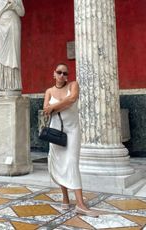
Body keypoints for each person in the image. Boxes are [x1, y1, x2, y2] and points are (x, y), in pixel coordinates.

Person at [43, 63, 99, 217]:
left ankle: (80, 204)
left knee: (72, 163)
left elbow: (72, 98)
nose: (62, 76)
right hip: (55, 131)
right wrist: (64, 104)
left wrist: (56, 107)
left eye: (65, 73)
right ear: (54, 73)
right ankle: (65, 198)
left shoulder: (74, 85)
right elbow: (46, 110)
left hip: (72, 130)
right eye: (59, 72)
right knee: (60, 163)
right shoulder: (49, 91)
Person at [0, 0, 25, 95]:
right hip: (0, 26)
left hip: (13, 24)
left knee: (12, 56)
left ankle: (12, 85)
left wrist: (13, 5)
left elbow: (22, 12)